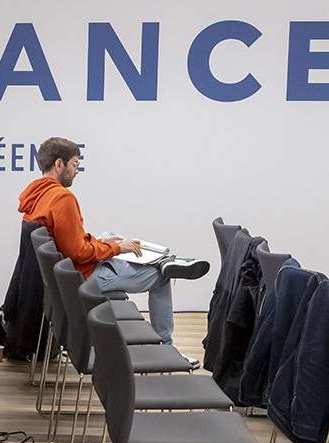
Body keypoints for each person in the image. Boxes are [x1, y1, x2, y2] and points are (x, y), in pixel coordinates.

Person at [18, 136, 209, 349]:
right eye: (75, 164)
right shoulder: (63, 198)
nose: (77, 171)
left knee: (109, 235)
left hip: (68, 273)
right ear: (59, 164)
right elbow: (78, 252)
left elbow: (67, 240)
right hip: (83, 275)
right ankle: (166, 346)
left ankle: (161, 260)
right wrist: (116, 248)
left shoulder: (37, 194)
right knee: (161, 278)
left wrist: (101, 242)